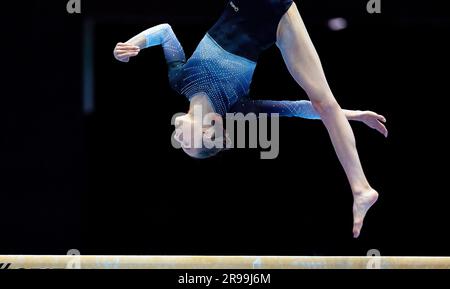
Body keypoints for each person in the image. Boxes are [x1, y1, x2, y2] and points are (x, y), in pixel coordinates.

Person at [113, 0, 388, 238]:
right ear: (211, 131)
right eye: (188, 145)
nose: (179, 140)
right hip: (275, 20)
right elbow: (296, 108)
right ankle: (361, 189)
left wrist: (131, 45)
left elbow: (165, 32)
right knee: (325, 103)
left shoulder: (179, 80)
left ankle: (361, 188)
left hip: (257, 10)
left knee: (326, 104)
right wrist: (351, 115)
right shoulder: (235, 108)